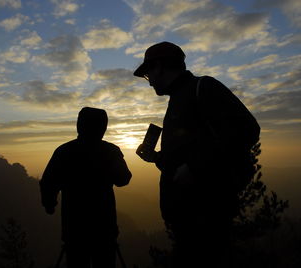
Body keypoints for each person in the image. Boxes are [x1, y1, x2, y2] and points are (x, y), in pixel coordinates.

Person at [134, 41, 260, 267]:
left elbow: (247, 129)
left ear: (160, 67)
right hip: (188, 219)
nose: (149, 80)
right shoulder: (180, 97)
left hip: (206, 216)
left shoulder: (203, 87)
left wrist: (195, 167)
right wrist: (157, 158)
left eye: (148, 73)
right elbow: (185, 158)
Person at [39, 107, 132, 268]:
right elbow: (123, 179)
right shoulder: (111, 151)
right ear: (103, 127)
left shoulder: (64, 151)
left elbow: (48, 182)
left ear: (79, 125)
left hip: (74, 228)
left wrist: (50, 205)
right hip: (104, 228)